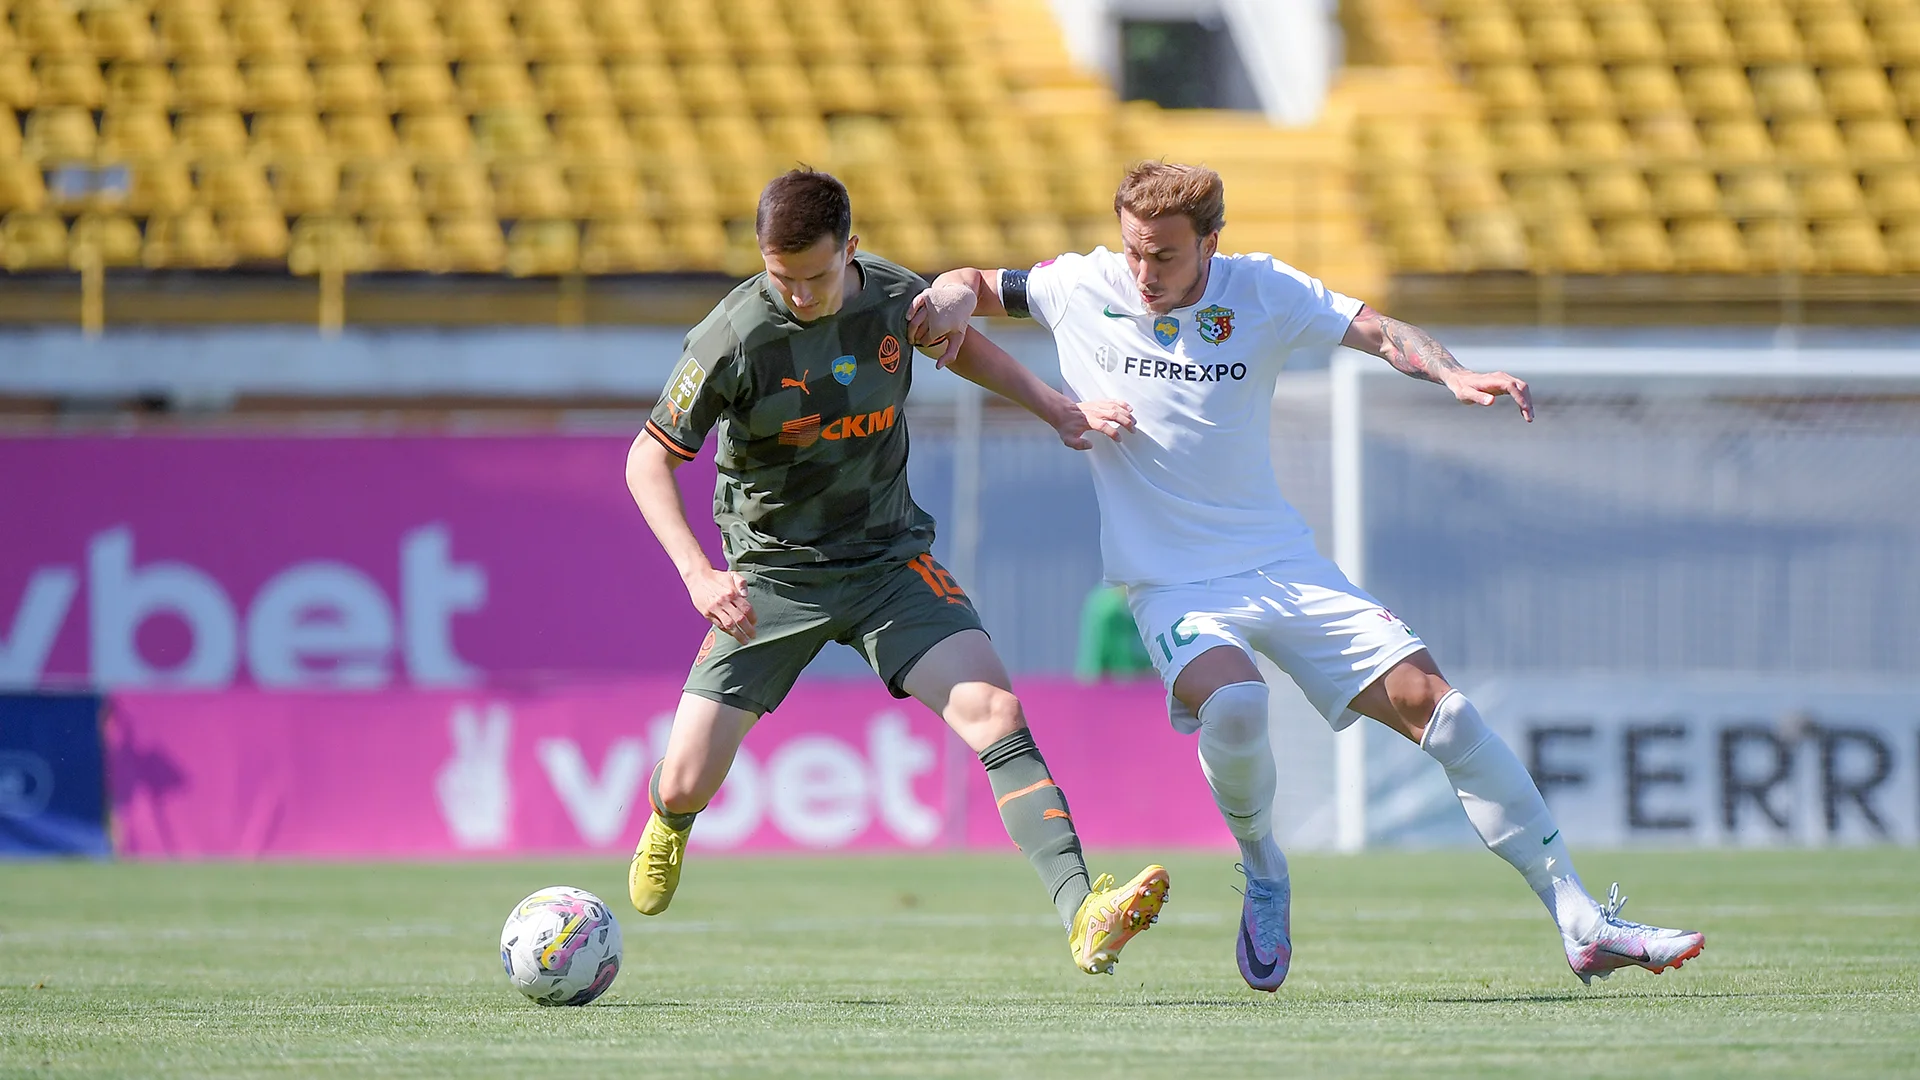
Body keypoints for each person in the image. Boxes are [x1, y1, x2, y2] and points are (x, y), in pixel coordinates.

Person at [909, 160, 1705, 992]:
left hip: (1283, 563)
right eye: (1135, 250)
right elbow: (973, 284)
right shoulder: (1081, 284)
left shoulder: (1263, 289)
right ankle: (1263, 868)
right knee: (1236, 705)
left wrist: (1452, 371)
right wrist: (954, 295)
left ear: (1212, 242)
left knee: (1447, 713)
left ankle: (1581, 921)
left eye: (1166, 255)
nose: (1144, 272)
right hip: (1172, 582)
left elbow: (1379, 331)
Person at [624, 168, 1168, 976]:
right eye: (781, 277)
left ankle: (1082, 911)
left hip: (888, 563)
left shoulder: (893, 297)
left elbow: (964, 346)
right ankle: (669, 820)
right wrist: (699, 575)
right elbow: (646, 461)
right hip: (771, 577)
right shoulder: (731, 337)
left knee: (995, 711)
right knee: (685, 780)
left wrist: (1056, 407)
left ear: (850, 247)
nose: (799, 295)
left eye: (814, 276)